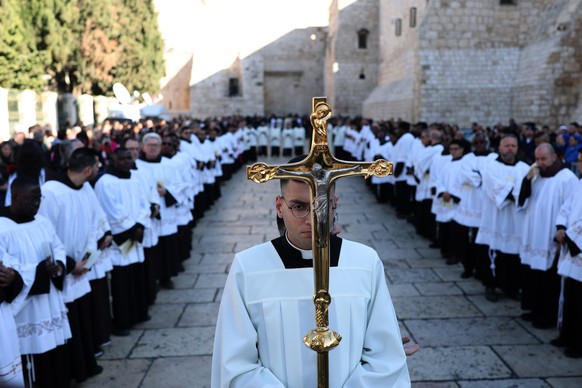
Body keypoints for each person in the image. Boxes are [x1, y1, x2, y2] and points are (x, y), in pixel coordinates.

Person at [212, 176, 410, 387]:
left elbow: (385, 357)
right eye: (299, 206)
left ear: (335, 205)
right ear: (280, 207)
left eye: (322, 206)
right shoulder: (249, 267)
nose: (312, 219)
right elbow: (235, 365)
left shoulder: (365, 262)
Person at [38, 148, 107, 382]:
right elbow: (45, 236)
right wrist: (69, 264)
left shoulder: (86, 188)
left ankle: (86, 365)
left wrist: (88, 257)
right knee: (69, 323)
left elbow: (91, 224)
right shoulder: (51, 193)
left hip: (81, 267)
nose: (99, 169)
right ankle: (72, 370)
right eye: (97, 165)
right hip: (64, 270)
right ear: (87, 169)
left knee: (82, 319)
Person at [0, 176, 72, 387]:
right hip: (25, 310)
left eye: (39, 199)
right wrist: (27, 274)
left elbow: (58, 247)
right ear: (14, 197)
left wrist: (58, 265)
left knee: (54, 356)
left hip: (49, 302)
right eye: (31, 199)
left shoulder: (42, 221)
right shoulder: (2, 227)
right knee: (31, 359)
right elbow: (6, 267)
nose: (36, 204)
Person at [517, 144, 578, 328]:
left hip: (551, 237)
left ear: (554, 158)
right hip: (534, 235)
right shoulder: (536, 176)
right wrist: (527, 181)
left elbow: (572, 210)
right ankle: (535, 310)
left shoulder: (568, 179)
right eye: (537, 159)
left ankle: (548, 317)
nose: (540, 163)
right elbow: (523, 200)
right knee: (534, 275)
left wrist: (564, 234)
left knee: (548, 279)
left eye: (543, 159)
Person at [94, 147, 150, 336]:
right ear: (113, 160)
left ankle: (138, 313)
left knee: (136, 276)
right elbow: (111, 210)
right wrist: (133, 228)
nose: (127, 161)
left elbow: (145, 203)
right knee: (121, 281)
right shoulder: (105, 182)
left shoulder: (134, 178)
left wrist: (141, 224)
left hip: (135, 232)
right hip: (121, 237)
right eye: (123, 158)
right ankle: (122, 320)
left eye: (129, 157)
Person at [475, 134, 529, 302]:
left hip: (516, 220)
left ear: (517, 148)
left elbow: (530, 190)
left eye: (513, 145)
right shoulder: (490, 167)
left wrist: (519, 190)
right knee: (494, 252)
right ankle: (490, 285)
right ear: (499, 147)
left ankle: (511, 287)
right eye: (507, 145)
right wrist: (519, 191)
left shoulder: (524, 168)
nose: (510, 149)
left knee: (513, 255)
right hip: (495, 218)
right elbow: (496, 188)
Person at [553, 148, 582, 358]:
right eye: (579, 161)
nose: (579, 165)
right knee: (569, 296)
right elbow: (568, 205)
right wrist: (561, 227)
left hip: (578, 245)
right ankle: (566, 335)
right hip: (573, 245)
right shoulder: (580, 183)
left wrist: (570, 235)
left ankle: (578, 343)